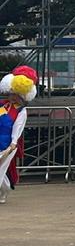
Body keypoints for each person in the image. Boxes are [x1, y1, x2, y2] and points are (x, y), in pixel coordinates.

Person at [0, 66, 37, 204]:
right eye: (11, 93)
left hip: (8, 144)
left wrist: (13, 143)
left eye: (16, 94)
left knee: (1, 169)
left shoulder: (21, 111)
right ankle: (5, 189)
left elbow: (18, 127)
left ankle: (5, 190)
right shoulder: (2, 105)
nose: (12, 96)